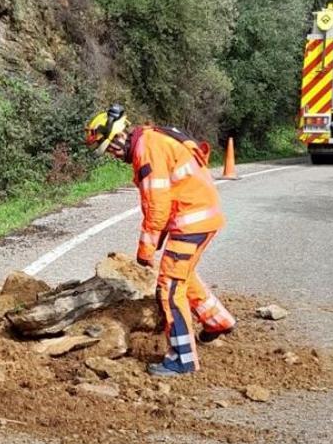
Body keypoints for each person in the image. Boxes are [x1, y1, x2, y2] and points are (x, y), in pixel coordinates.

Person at [84, 105, 235, 377]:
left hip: (191, 220)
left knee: (169, 287)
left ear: (119, 137)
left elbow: (157, 208)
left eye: (109, 148)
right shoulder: (151, 139)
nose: (112, 155)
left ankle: (182, 360)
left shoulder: (147, 150)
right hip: (200, 217)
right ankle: (218, 321)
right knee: (181, 276)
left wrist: (145, 252)